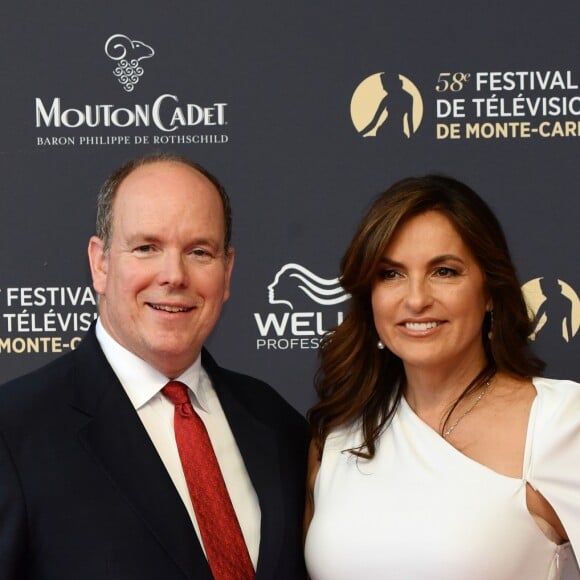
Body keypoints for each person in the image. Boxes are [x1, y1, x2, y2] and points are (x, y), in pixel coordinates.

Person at [0, 152, 309, 579]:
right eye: (146, 247)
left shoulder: (275, 423)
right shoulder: (13, 432)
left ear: (227, 270)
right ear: (101, 263)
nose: (173, 275)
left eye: (199, 251)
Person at [304, 175, 580, 579]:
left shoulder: (559, 422)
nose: (416, 299)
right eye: (391, 274)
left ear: (489, 291)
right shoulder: (337, 437)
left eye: (445, 272)